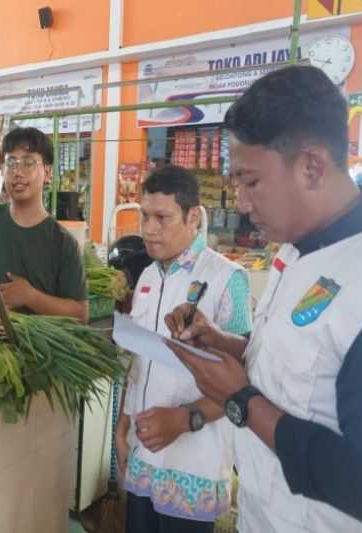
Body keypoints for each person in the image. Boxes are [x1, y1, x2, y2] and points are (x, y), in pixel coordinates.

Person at [166, 65, 362, 532]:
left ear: (312, 167)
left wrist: (239, 399)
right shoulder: (295, 248)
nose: (239, 201)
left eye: (251, 181)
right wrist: (225, 344)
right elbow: (302, 367)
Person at [116, 166, 252, 533]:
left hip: (194, 459)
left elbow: (245, 379)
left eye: (162, 217)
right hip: (144, 451)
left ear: (193, 217)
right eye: (144, 215)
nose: (147, 228)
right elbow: (139, 362)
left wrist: (184, 418)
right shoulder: (146, 276)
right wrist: (123, 425)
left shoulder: (228, 280)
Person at [0, 126, 88, 323]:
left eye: (28, 163)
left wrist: (31, 296)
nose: (18, 172)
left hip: (39, 353)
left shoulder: (63, 243)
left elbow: (80, 313)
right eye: (11, 163)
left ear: (48, 173)